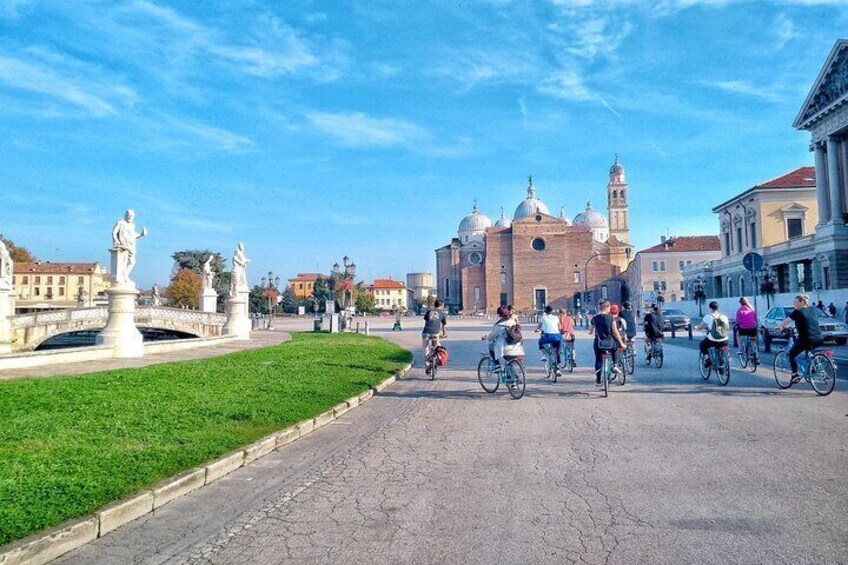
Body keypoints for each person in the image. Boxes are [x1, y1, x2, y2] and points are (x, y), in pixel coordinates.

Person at [776, 294, 823, 383]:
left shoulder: (797, 312)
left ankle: (795, 375)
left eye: (795, 303)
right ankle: (812, 368)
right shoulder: (813, 309)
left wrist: (779, 327)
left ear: (801, 303)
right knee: (809, 353)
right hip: (819, 337)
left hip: (806, 339)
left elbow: (786, 321)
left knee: (792, 354)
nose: (794, 304)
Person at [588, 300, 626, 386]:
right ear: (607, 307)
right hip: (610, 342)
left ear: (599, 308)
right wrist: (621, 343)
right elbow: (615, 332)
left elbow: (590, 331)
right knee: (615, 348)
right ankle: (615, 365)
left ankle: (598, 380)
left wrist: (592, 331)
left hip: (598, 343)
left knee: (598, 360)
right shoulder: (610, 318)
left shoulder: (594, 318)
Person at [482, 305, 524, 371]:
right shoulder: (514, 321)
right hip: (518, 347)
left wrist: (486, 337)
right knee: (509, 363)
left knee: (491, 347)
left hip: (506, 349)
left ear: (499, 315)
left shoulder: (499, 325)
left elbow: (492, 336)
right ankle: (513, 377)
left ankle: (497, 365)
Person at [696, 301, 730, 366]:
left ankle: (708, 359)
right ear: (717, 308)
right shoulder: (724, 316)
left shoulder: (708, 316)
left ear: (710, 308)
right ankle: (722, 364)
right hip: (724, 339)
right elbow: (727, 328)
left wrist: (696, 329)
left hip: (713, 340)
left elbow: (700, 327)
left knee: (702, 345)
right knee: (720, 347)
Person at [536, 305, 563, 377]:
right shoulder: (556, 318)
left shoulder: (543, 318)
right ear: (552, 311)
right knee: (557, 351)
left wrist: (537, 330)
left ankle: (544, 354)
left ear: (545, 311)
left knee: (540, 342)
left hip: (547, 336)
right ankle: (557, 367)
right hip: (556, 336)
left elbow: (538, 327)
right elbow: (560, 327)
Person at [422, 300, 447, 375]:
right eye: (443, 306)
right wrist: (444, 334)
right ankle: (438, 359)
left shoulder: (429, 311)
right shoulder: (442, 313)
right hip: (435, 333)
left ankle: (427, 369)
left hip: (426, 332)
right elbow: (443, 325)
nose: (443, 307)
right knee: (438, 347)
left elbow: (426, 321)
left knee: (426, 350)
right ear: (441, 305)